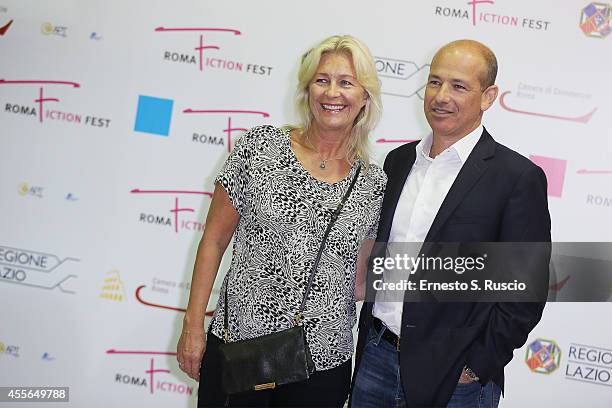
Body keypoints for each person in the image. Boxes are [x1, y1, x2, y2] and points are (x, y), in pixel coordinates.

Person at [177, 34, 387, 407]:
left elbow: (360, 282)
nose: (332, 92)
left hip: (321, 366)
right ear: (307, 90)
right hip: (241, 350)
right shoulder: (260, 147)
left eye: (346, 82)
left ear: (364, 97)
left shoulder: (374, 184)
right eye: (322, 80)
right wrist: (193, 325)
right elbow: (213, 240)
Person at [350, 40, 551, 407]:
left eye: (459, 86)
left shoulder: (516, 177)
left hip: (455, 377)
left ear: (488, 96)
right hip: (376, 356)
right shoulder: (397, 161)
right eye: (434, 82)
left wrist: (477, 364)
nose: (442, 96)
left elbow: (527, 288)